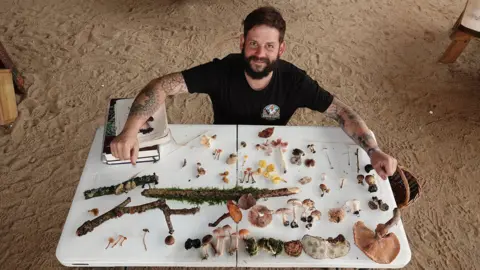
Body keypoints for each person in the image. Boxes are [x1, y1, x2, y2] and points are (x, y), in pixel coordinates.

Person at [110, 6, 397, 180]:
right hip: (219, 151)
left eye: (269, 46)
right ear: (242, 43)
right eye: (254, 44)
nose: (260, 54)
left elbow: (342, 112)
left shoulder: (295, 81)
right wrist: (130, 131)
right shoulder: (222, 70)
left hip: (272, 156)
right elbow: (161, 86)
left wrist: (373, 150)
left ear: (281, 49)